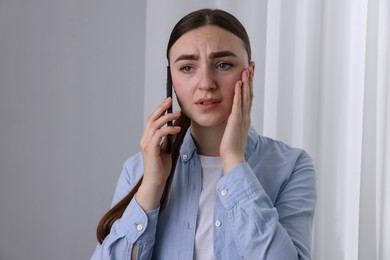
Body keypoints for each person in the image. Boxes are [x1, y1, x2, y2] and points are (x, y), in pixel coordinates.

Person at [91, 8, 316, 260]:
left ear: (249, 73)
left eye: (223, 64)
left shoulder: (291, 167)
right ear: (171, 79)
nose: (206, 83)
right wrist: (152, 185)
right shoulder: (137, 170)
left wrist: (234, 161)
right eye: (187, 68)